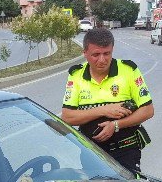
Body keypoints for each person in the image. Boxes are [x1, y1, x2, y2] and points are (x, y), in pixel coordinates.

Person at [61, 28, 155, 171]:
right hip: (91, 152)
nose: (102, 60)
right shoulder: (76, 75)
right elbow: (67, 117)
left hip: (125, 151)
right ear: (85, 53)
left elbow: (148, 111)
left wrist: (116, 125)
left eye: (107, 53)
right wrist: (103, 110)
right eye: (96, 54)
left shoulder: (129, 70)